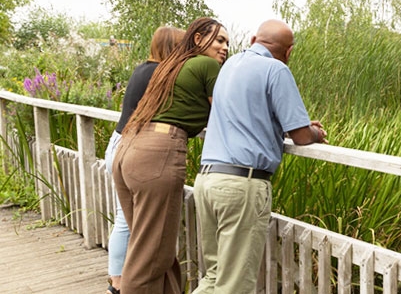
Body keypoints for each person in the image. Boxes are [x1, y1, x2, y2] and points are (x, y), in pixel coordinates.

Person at [193, 19, 327, 294]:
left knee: (213, 278)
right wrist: (315, 132)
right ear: (289, 52)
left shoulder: (228, 66)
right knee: (234, 286)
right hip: (242, 185)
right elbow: (300, 136)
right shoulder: (276, 70)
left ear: (253, 40)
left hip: (207, 179)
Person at [112, 17, 229, 294]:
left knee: (155, 252)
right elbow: (228, 113)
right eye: (220, 40)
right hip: (157, 153)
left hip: (128, 148)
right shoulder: (207, 64)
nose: (225, 48)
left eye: (227, 42)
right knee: (150, 258)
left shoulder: (170, 65)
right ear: (198, 39)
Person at [104, 26, 185, 294]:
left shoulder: (143, 68)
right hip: (132, 144)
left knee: (125, 219)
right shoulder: (160, 72)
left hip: (121, 142)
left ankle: (118, 280)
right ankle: (118, 281)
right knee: (127, 222)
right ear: (173, 47)